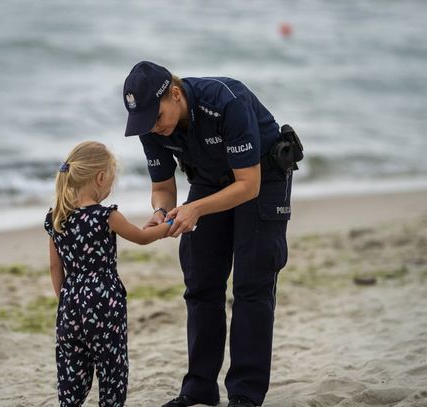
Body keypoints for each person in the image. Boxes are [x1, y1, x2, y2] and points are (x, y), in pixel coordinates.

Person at [122, 61, 298, 407]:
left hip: (263, 177)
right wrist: (161, 210)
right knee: (201, 282)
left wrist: (196, 208)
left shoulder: (226, 102)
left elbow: (248, 185)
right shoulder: (150, 124)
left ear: (175, 94)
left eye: (157, 118)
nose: (153, 128)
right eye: (145, 122)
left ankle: (245, 394)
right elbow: (162, 186)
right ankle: (200, 387)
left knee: (252, 283)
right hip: (208, 178)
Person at [44, 140, 172, 407]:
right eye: (110, 181)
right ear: (100, 177)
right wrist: (170, 224)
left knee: (72, 366)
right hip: (104, 302)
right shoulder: (107, 216)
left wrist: (65, 300)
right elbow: (142, 238)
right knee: (111, 365)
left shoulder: (56, 218)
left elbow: (55, 268)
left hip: (70, 303)